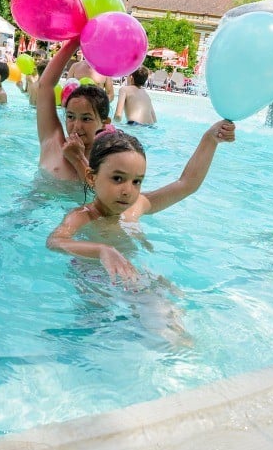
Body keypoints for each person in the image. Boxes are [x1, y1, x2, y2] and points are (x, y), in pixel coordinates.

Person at [47, 121, 235, 283]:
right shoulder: (83, 216)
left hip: (135, 274)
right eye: (118, 179)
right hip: (94, 277)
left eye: (136, 181)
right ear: (91, 177)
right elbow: (55, 241)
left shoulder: (137, 206)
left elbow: (187, 184)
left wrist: (210, 139)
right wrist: (101, 250)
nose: (128, 190)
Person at [38, 37, 113, 182]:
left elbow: (104, 196)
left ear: (104, 122)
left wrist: (78, 159)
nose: (76, 126)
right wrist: (74, 41)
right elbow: (45, 86)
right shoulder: (52, 141)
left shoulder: (106, 160)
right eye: (71, 117)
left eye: (86, 118)